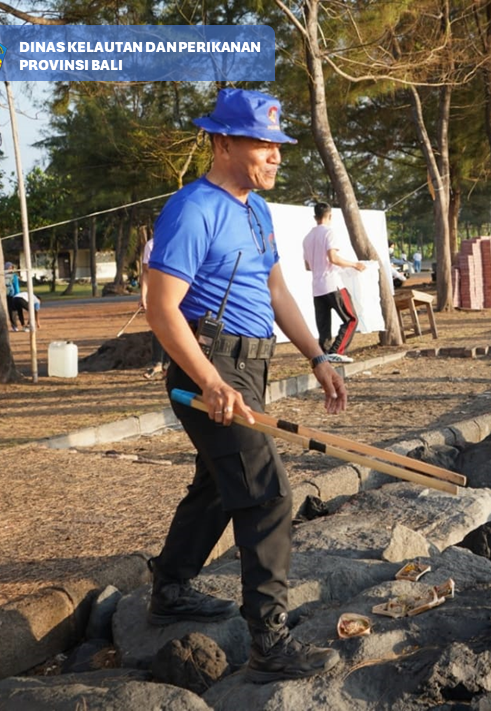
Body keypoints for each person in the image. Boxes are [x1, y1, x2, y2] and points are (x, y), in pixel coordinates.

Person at [145, 88, 347, 683]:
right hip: (208, 365)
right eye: (264, 144)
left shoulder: (257, 211)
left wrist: (318, 355)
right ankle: (269, 644)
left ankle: (170, 589)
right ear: (223, 142)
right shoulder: (193, 208)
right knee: (266, 494)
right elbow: (162, 309)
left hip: (250, 365)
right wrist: (209, 381)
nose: (276, 156)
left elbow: (277, 291)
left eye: (279, 145)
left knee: (217, 482)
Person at [302, 202, 365, 364]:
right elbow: (333, 258)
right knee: (351, 318)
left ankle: (324, 356)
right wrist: (354, 264)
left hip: (316, 287)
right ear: (330, 216)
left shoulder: (307, 238)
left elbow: (308, 266)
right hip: (332, 283)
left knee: (323, 327)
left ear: (315, 217)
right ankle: (337, 351)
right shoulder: (329, 233)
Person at [140, 237, 171, 380]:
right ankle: (158, 363)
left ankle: (169, 365)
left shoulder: (178, 240)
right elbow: (146, 273)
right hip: (157, 293)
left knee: (176, 327)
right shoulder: (151, 245)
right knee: (159, 327)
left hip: (176, 292)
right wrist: (143, 296)